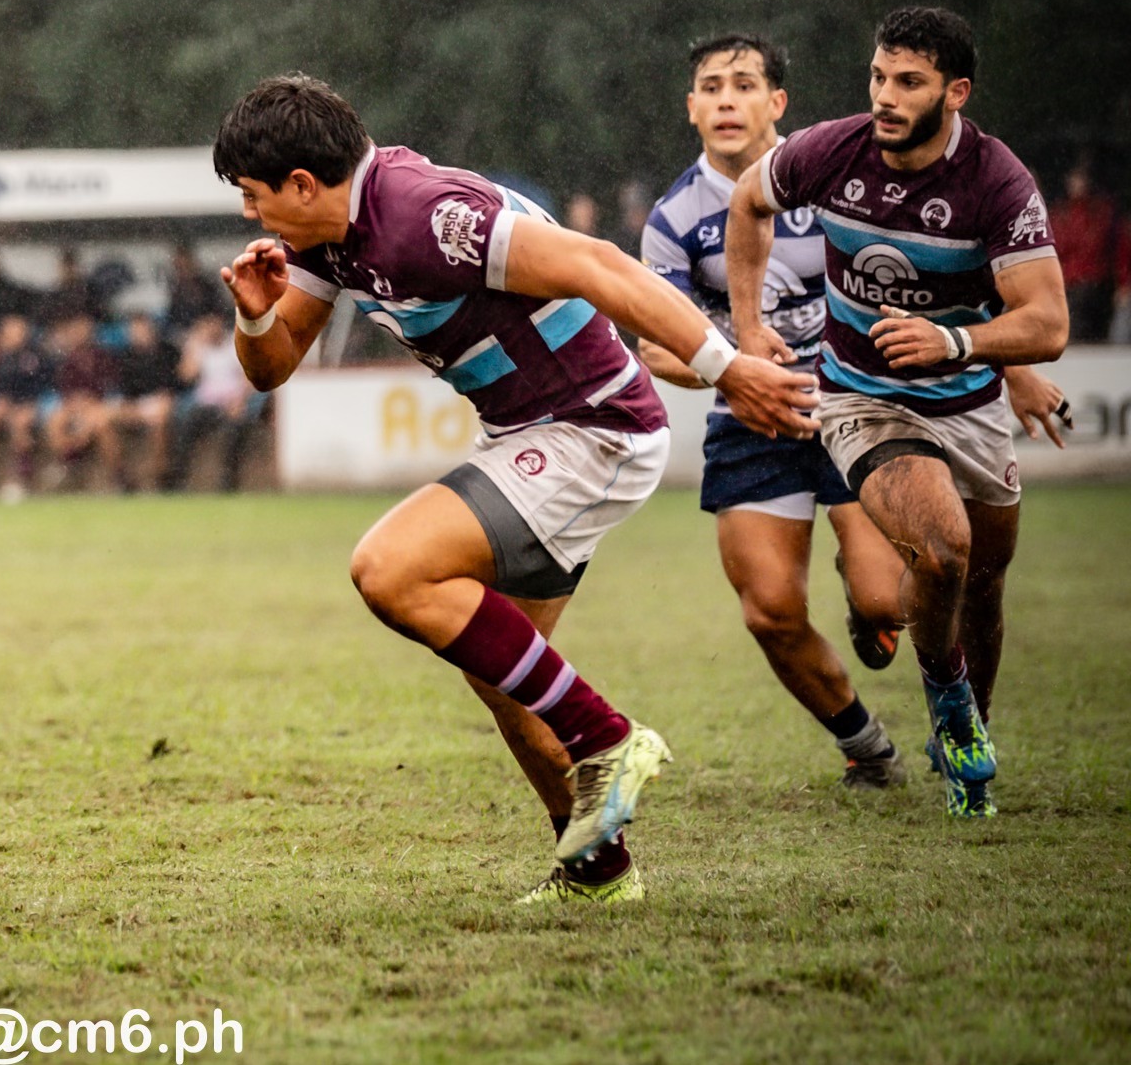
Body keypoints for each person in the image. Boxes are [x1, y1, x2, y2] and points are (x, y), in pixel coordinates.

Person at [213, 74, 819, 903]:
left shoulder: (427, 215)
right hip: (534, 434)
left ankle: (607, 736)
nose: (251, 214)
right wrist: (254, 315)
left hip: (593, 430)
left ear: (303, 185)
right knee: (504, 674)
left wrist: (726, 367)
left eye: (253, 196)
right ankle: (599, 873)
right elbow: (274, 367)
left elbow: (599, 264)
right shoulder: (331, 235)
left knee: (389, 568)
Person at [724, 6, 1070, 819]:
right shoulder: (831, 150)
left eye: (907, 82)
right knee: (943, 552)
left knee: (983, 584)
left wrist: (958, 346)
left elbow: (1047, 323)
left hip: (968, 402)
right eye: (878, 76)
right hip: (861, 398)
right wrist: (747, 329)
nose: (884, 95)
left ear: (955, 93)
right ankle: (949, 705)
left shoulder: (996, 181)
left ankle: (965, 731)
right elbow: (750, 202)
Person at [638, 35, 910, 788]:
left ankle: (869, 602)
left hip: (855, 407)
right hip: (752, 424)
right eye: (711, 87)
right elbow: (656, 346)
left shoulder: (836, 184)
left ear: (777, 103)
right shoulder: (671, 220)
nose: (727, 100)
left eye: (745, 85)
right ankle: (865, 746)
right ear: (691, 108)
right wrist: (733, 372)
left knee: (886, 597)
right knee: (770, 613)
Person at [165, 315, 263, 491]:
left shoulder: (235, 345)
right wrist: (194, 347)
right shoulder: (199, 346)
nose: (210, 328)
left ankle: (227, 480)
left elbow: (249, 378)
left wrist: (239, 400)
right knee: (184, 424)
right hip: (206, 404)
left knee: (234, 429)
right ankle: (178, 478)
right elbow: (185, 375)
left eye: (213, 323)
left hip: (232, 402)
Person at [0, 314, 54, 501]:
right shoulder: (2, 357)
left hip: (33, 403)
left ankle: (20, 478)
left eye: (15, 330)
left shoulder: (36, 355)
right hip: (6, 404)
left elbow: (42, 386)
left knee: (20, 426)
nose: (11, 335)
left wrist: (23, 407)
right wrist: (1, 407)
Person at [1047, 159, 1127, 344]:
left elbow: (1112, 249)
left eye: (1081, 179)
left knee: (1090, 326)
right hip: (1069, 282)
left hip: (1095, 282)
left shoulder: (1102, 212)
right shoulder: (1061, 214)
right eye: (1074, 179)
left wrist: (1122, 283)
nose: (1077, 184)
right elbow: (1056, 248)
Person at [41, 314, 121, 488]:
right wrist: (74, 402)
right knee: (55, 420)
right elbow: (64, 388)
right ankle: (63, 461)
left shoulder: (104, 357)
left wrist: (89, 401)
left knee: (99, 424)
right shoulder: (68, 359)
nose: (80, 333)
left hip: (98, 405)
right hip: (73, 405)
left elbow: (109, 387)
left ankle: (116, 474)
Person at [113, 315, 184, 490]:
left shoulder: (168, 351)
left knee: (159, 420)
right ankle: (121, 474)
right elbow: (125, 391)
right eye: (135, 330)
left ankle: (161, 474)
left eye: (143, 328)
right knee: (106, 420)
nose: (139, 333)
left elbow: (175, 384)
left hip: (163, 402)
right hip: (137, 405)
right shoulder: (127, 356)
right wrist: (131, 407)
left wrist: (166, 397)